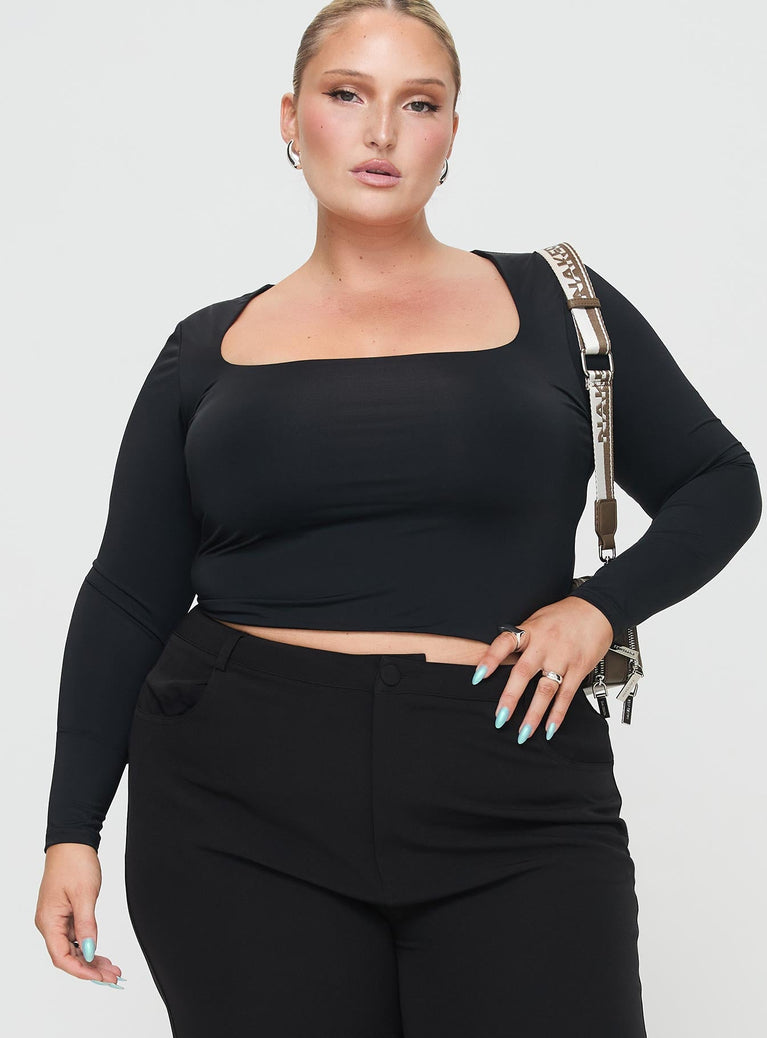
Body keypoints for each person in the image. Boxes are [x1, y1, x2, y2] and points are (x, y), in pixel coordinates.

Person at [35, 1, 761, 1035]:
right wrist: (72, 830)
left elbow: (718, 481)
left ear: (451, 132)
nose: (380, 131)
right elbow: (127, 593)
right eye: (346, 95)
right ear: (290, 118)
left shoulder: (558, 306)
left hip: (510, 773)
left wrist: (597, 608)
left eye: (418, 103)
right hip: (236, 800)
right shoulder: (206, 349)